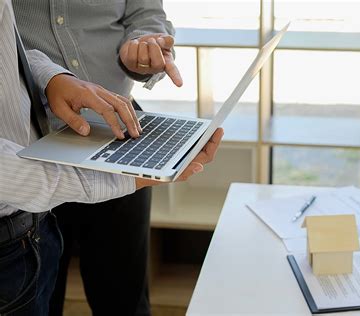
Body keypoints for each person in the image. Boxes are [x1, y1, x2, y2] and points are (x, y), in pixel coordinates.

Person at [0, 0, 224, 314]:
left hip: (120, 131)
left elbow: (146, 14)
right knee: (42, 293)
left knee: (124, 297)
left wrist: (145, 48)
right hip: (33, 145)